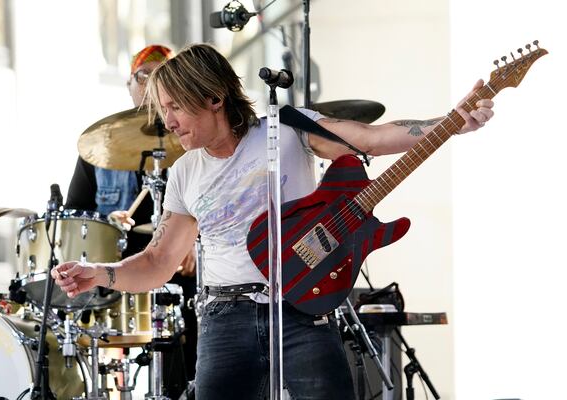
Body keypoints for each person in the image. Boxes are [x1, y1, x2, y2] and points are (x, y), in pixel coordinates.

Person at [53, 43, 494, 399]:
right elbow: (158, 261)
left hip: (301, 310)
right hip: (225, 317)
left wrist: (453, 122)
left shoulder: (288, 130)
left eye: (175, 107)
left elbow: (373, 139)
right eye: (162, 109)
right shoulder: (184, 171)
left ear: (212, 97)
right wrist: (102, 273)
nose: (167, 122)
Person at [64, 44, 198, 391]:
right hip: (119, 268)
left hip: (178, 268)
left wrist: (197, 242)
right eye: (144, 75)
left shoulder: (191, 142)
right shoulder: (99, 147)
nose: (152, 83)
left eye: (163, 76)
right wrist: (108, 221)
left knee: (200, 295)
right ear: (130, 85)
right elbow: (75, 216)